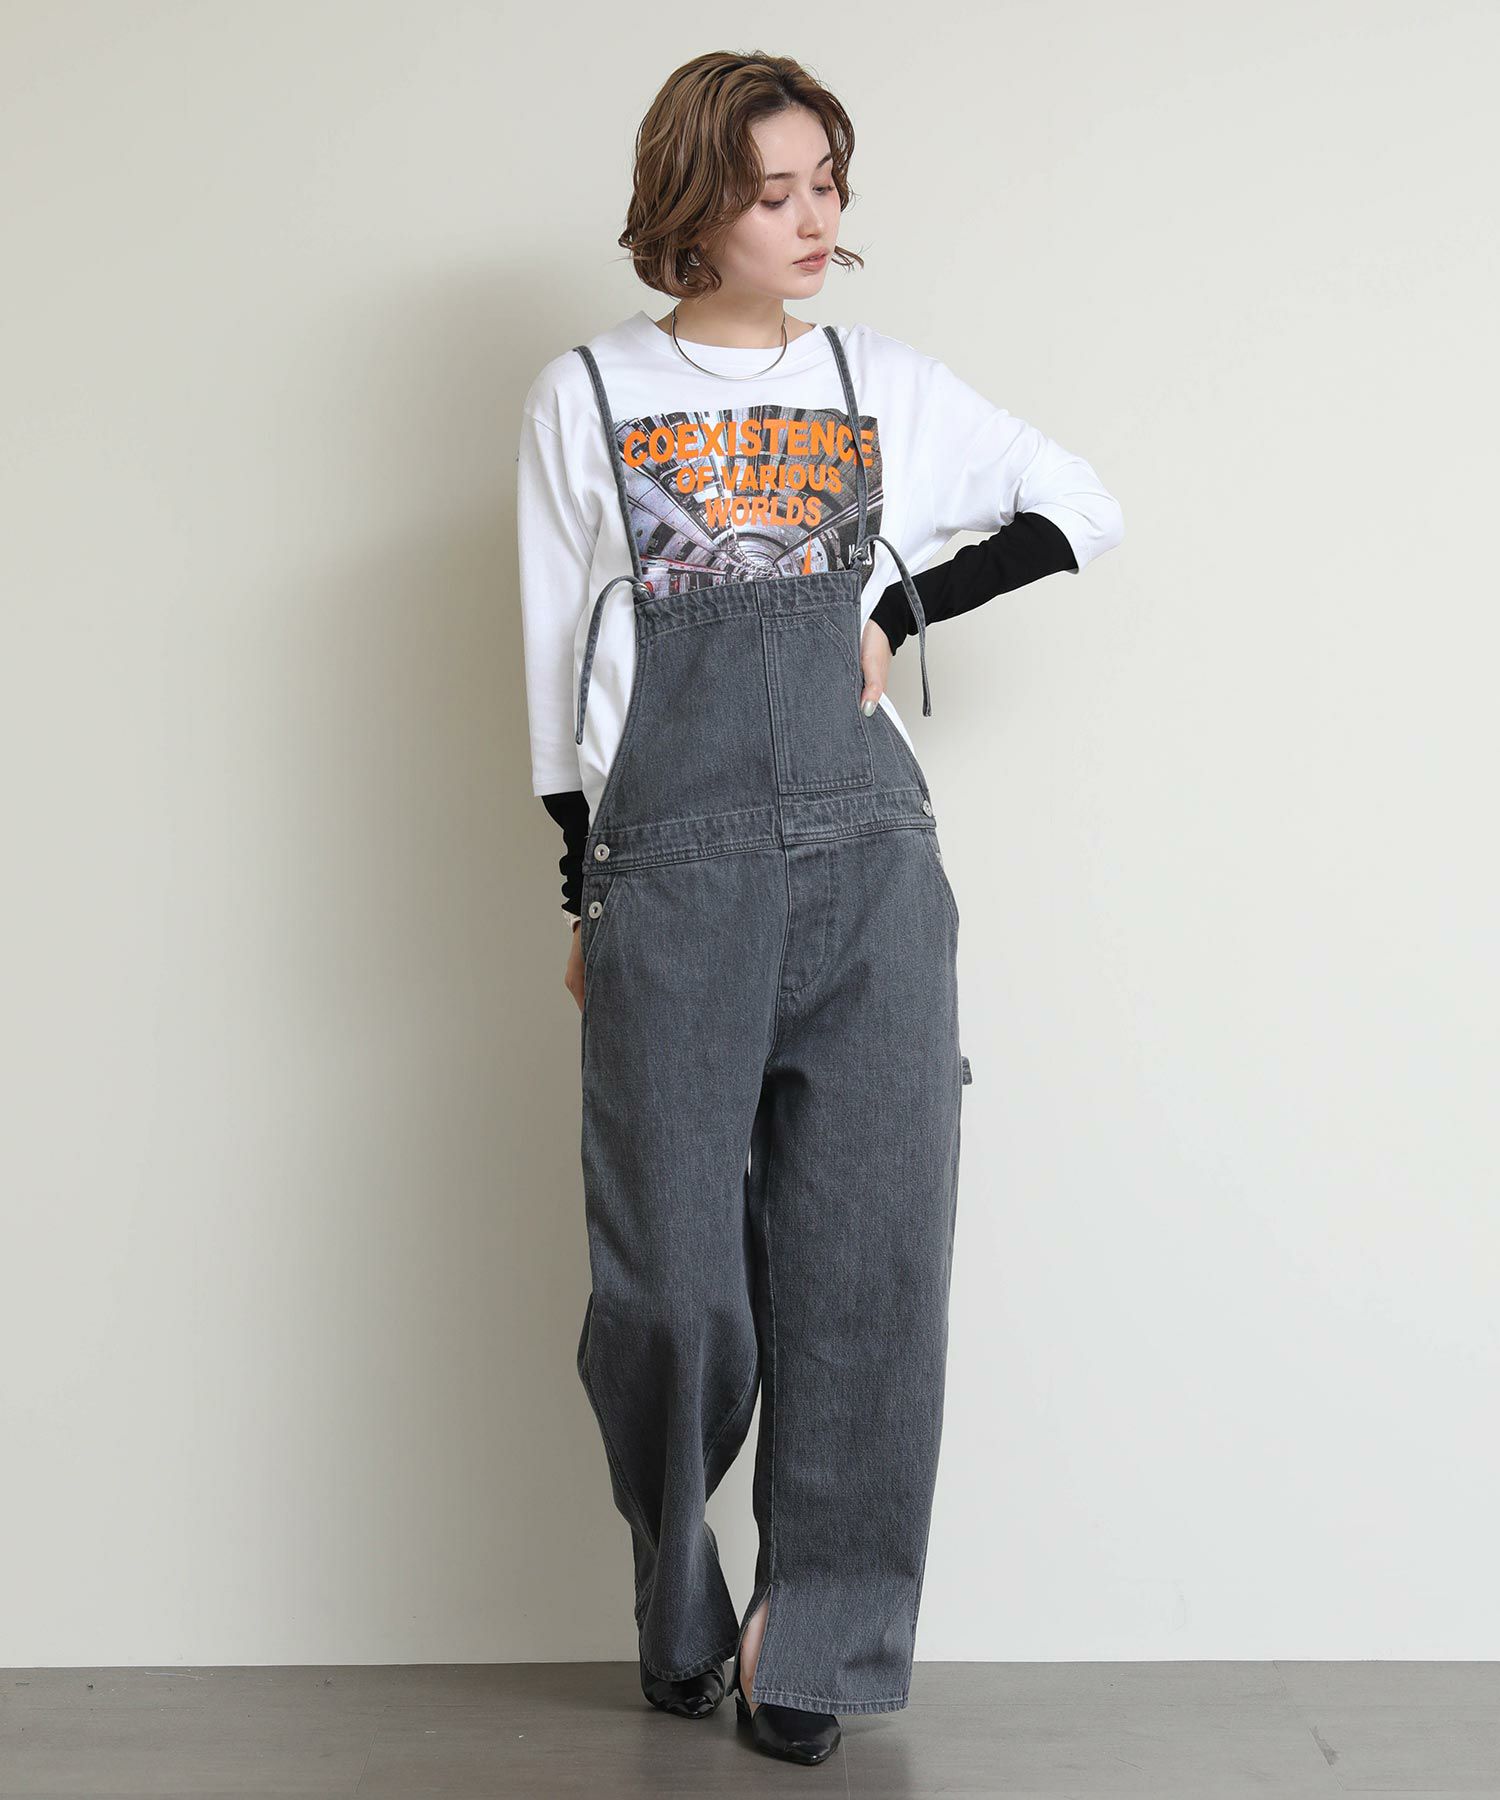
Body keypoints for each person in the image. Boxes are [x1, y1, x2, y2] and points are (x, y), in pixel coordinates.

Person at [516, 51, 1123, 1768]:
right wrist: (584, 896)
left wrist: (903, 605)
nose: (810, 219)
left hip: (871, 873)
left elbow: (1083, 504)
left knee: (870, 1269)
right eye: (772, 190)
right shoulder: (587, 393)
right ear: (692, 202)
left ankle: (818, 1638)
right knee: (668, 1290)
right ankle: (676, 1588)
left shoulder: (882, 382)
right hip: (670, 874)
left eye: (827, 185)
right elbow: (557, 664)